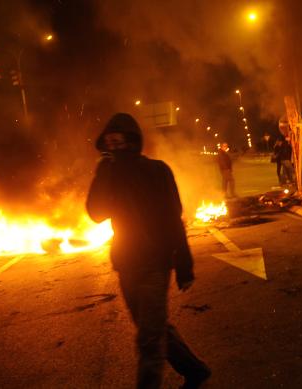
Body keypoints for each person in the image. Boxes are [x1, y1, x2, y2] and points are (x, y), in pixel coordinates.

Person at [86, 113, 211, 389]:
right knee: (152, 328)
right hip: (126, 263)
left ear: (132, 141)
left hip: (155, 264)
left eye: (119, 141)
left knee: (148, 340)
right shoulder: (109, 176)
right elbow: (95, 213)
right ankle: (195, 370)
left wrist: (184, 265)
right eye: (109, 143)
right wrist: (102, 172)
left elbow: (172, 219)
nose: (115, 147)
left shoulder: (157, 171)